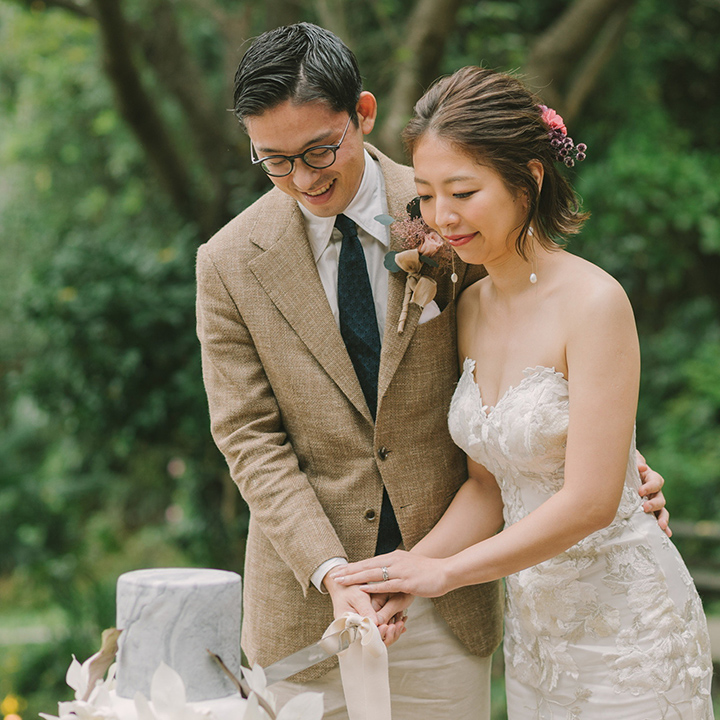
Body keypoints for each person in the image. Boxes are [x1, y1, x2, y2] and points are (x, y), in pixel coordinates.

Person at [196, 24, 669, 720]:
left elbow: (547, 344)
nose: (303, 178)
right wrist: (334, 573)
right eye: (274, 162)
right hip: (303, 606)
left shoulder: (454, 212)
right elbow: (248, 437)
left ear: (363, 113)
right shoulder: (227, 263)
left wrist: (614, 467)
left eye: (319, 150)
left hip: (451, 603)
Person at [331, 67, 713, 718]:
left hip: (627, 627)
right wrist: (407, 575)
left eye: (463, 191)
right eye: (425, 195)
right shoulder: (470, 306)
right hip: (537, 636)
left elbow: (592, 500)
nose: (441, 217)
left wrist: (448, 575)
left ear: (529, 179)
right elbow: (487, 486)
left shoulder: (595, 302)